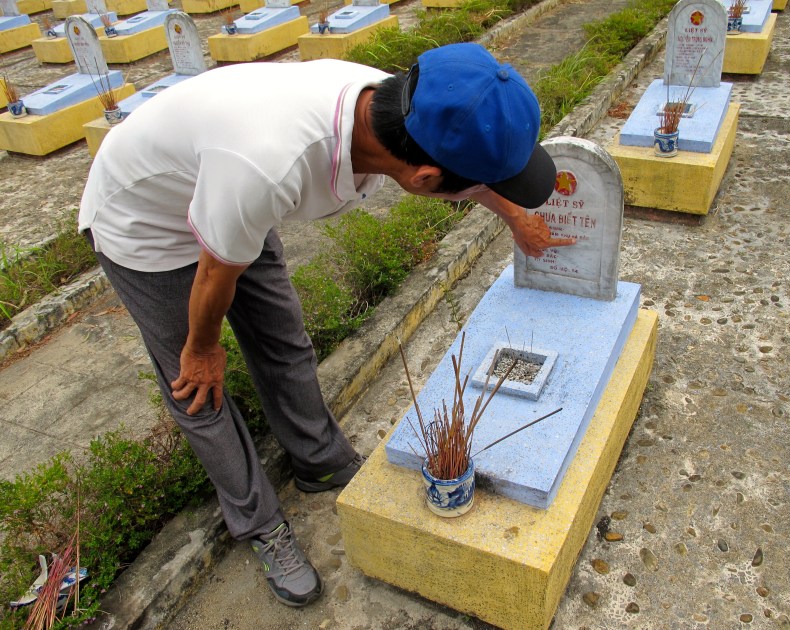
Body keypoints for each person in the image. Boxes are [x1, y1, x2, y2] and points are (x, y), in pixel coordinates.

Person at [78, 42, 574, 608]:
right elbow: (215, 270)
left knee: (284, 343)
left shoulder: (405, 106)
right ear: (423, 180)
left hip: (224, 194)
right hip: (146, 220)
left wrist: (515, 217)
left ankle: (318, 461)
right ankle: (259, 523)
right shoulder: (269, 166)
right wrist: (203, 345)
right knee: (197, 388)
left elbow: (467, 168)